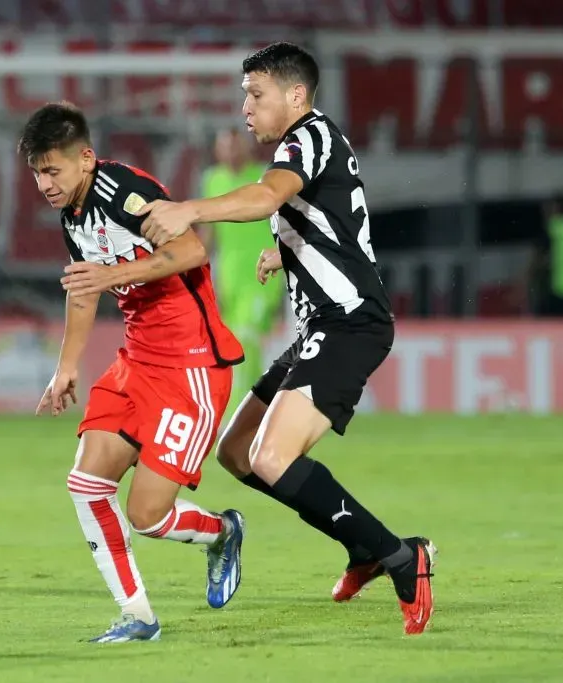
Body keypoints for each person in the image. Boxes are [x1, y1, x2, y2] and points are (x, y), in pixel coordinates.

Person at [138, 42, 436, 636]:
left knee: (272, 458)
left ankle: (402, 556)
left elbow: (269, 196)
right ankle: (364, 550)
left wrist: (190, 209)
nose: (245, 106)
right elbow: (331, 219)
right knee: (237, 449)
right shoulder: (311, 144)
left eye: (256, 94)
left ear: (295, 96)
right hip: (320, 327)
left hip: (349, 322)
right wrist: (286, 252)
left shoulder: (306, 138)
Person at [18, 102, 247, 643]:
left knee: (147, 514)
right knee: (86, 483)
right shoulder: (71, 216)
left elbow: (190, 250)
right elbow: (84, 289)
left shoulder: (124, 192)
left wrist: (110, 273)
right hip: (137, 360)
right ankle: (138, 616)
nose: (44, 183)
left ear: (86, 159)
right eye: (36, 173)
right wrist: (66, 368)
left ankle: (222, 531)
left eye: (53, 170)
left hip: (192, 363)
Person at [200, 128, 285, 419]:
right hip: (229, 277)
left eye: (236, 146)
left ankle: (241, 415)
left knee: (246, 338)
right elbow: (209, 232)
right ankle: (258, 407)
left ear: (247, 148)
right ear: (217, 150)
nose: (232, 152)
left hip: (263, 273)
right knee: (234, 344)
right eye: (226, 147)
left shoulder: (265, 176)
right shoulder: (213, 179)